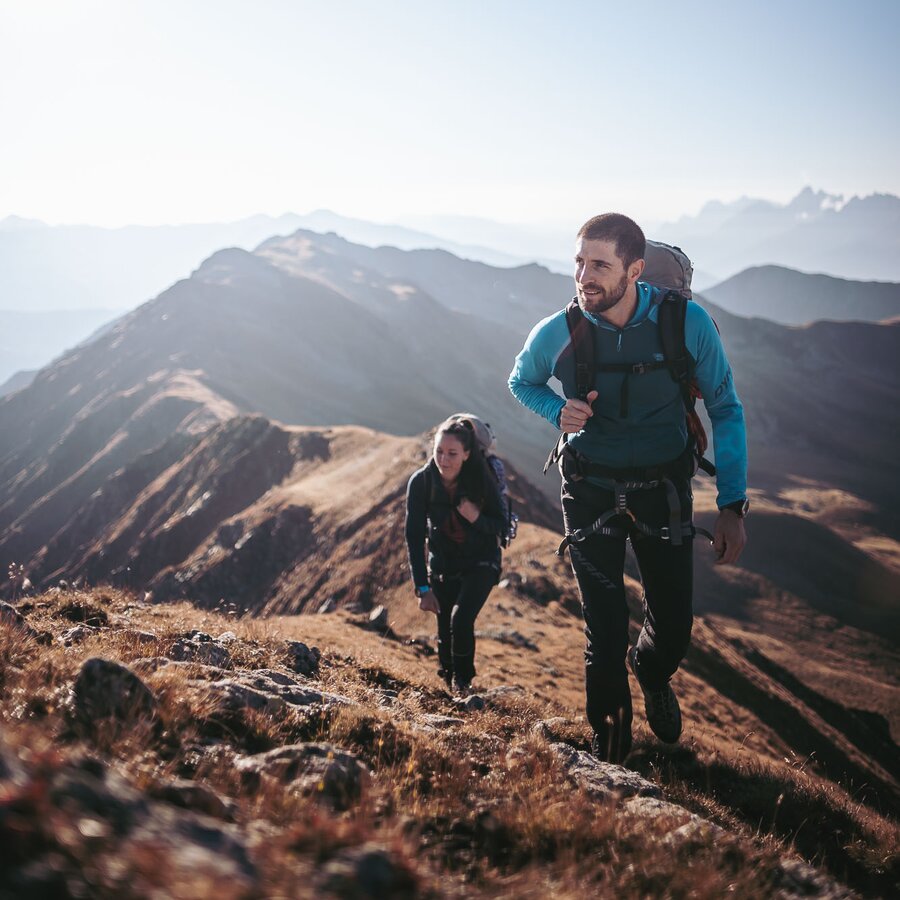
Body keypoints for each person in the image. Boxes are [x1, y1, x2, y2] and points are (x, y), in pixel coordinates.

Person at [508, 213, 748, 763]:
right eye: (578, 262)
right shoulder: (559, 330)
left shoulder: (687, 325)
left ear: (635, 270)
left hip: (661, 489)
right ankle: (610, 759)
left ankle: (652, 669)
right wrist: (556, 409)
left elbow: (726, 409)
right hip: (589, 489)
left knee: (672, 631)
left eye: (599, 265)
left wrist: (733, 504)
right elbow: (520, 380)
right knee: (605, 631)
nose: (583, 276)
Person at [405, 418, 507, 695]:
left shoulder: (481, 479)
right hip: (443, 566)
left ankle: (463, 684)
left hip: (481, 562)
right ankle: (448, 683)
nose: (443, 459)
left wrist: (476, 518)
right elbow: (414, 537)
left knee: (460, 620)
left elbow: (502, 525)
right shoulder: (421, 482)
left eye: (452, 453)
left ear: (467, 454)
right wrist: (422, 588)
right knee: (445, 630)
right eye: (439, 451)